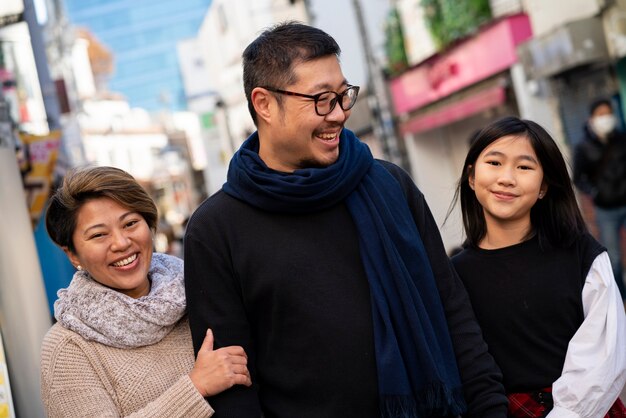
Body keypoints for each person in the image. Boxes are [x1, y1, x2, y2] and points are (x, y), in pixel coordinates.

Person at [184, 21, 507, 417]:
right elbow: (233, 384)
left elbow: (452, 309)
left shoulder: (389, 185)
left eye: (343, 96)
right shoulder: (215, 230)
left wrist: (491, 408)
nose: (338, 114)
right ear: (264, 104)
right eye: (321, 100)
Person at [40, 166, 252, 417]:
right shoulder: (68, 347)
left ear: (149, 225)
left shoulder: (201, 292)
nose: (121, 243)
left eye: (130, 223)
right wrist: (195, 388)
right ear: (72, 254)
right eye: (99, 235)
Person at [450, 116, 626, 417]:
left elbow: (604, 356)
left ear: (544, 186)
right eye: (494, 163)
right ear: (471, 177)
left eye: (524, 167)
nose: (507, 178)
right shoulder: (454, 274)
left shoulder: (581, 254)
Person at [573, 98, 626, 300]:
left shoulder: (622, 140)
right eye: (601, 115)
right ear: (592, 119)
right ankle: (621, 299)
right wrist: (595, 192)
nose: (606, 118)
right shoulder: (583, 148)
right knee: (612, 258)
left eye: (608, 114)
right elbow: (578, 178)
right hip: (606, 209)